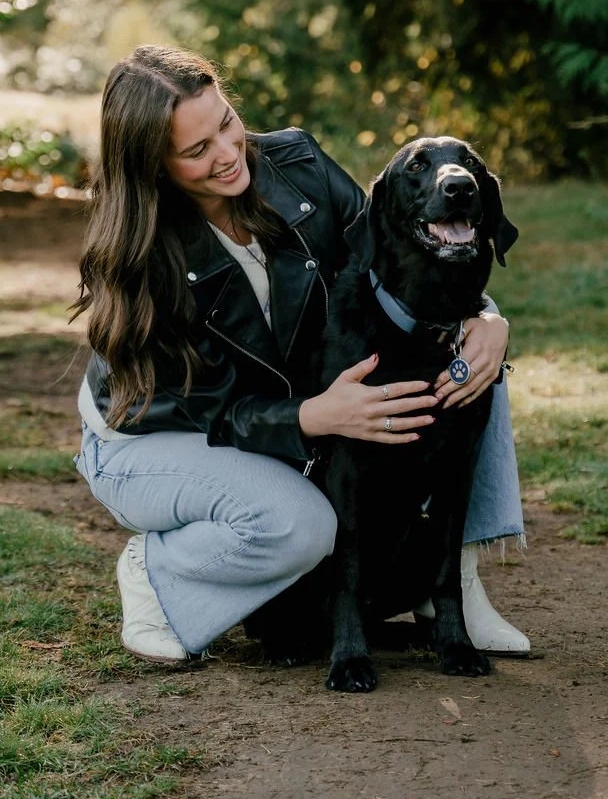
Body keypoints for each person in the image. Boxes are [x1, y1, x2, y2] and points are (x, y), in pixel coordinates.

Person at [72, 44, 529, 664]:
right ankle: (157, 573)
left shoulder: (298, 165)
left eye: (227, 123)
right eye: (198, 150)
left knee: (467, 365)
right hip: (156, 434)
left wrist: (487, 318)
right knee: (303, 527)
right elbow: (214, 410)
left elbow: (397, 248)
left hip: (281, 410)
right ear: (153, 166)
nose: (229, 154)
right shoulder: (145, 256)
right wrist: (314, 416)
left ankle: (453, 588)